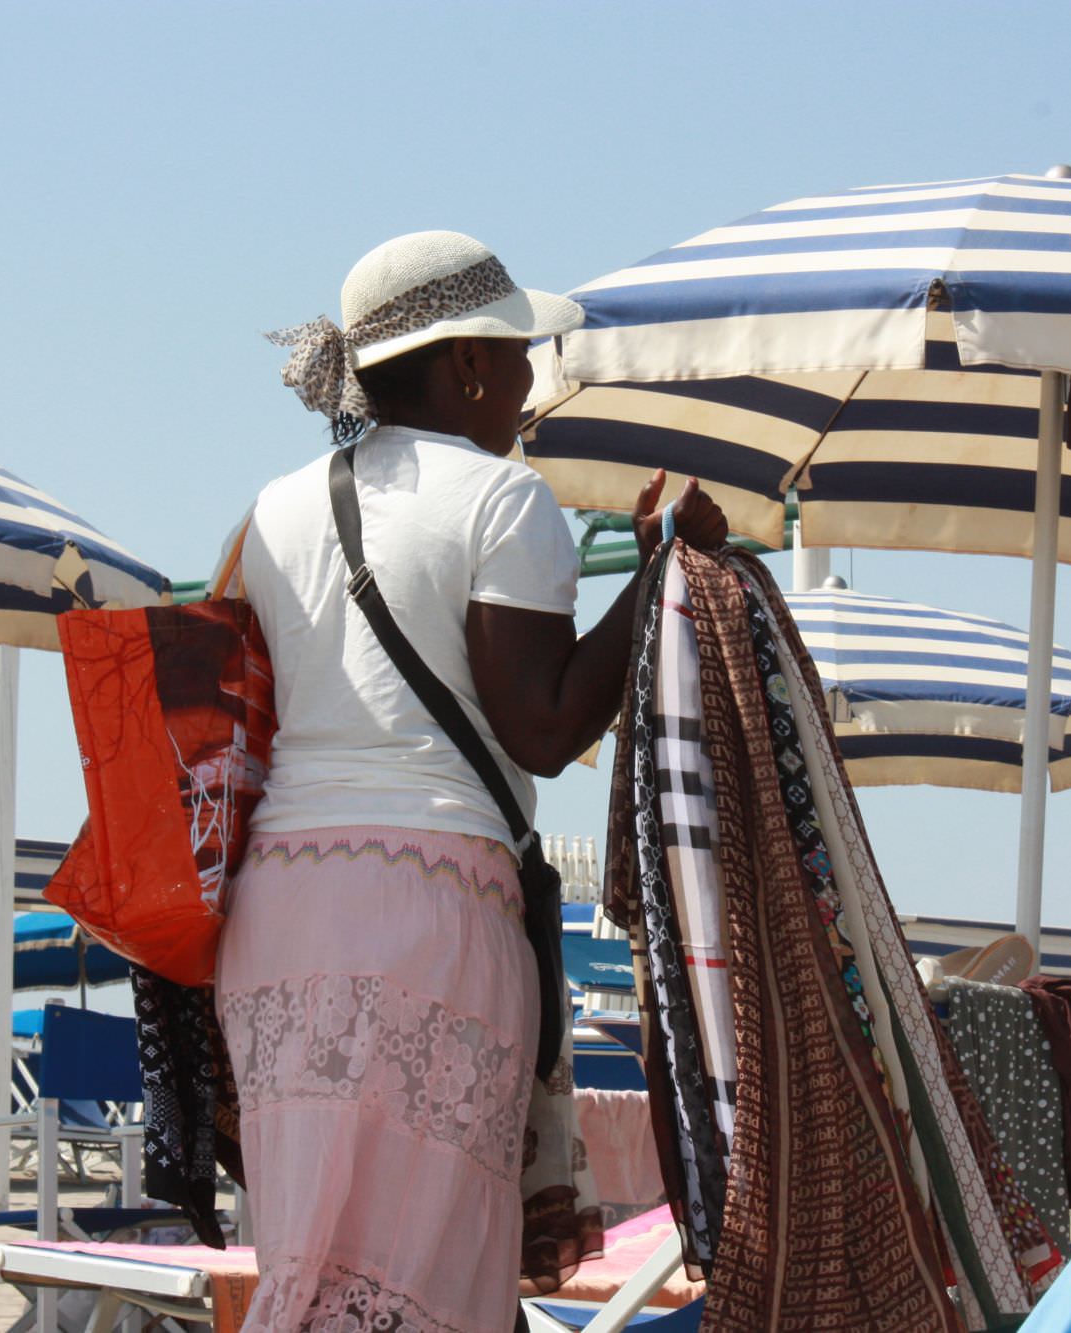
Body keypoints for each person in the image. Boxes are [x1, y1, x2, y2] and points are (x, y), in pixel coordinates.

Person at [214, 230, 726, 1333]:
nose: (533, 389)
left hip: (275, 915)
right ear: (468, 367)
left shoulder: (274, 508)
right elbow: (539, 728)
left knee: (311, 1260)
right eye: (523, 359)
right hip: (426, 907)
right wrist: (659, 571)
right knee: (427, 1266)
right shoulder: (503, 501)